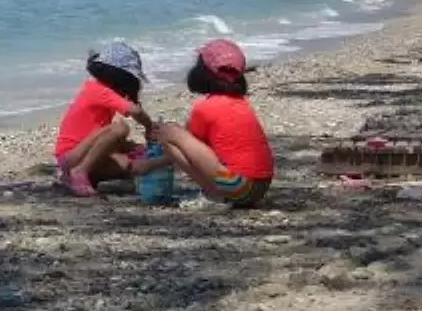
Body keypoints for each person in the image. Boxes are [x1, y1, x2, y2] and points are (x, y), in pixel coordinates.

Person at [152, 39, 274, 208]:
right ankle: (218, 191)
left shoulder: (205, 108)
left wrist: (170, 134)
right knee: (180, 136)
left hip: (238, 187)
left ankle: (214, 193)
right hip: (262, 186)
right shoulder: (241, 102)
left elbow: (192, 147)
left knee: (171, 136)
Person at [54, 41, 157, 197]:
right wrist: (150, 126)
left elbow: (98, 132)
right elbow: (135, 111)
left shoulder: (102, 91)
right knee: (120, 128)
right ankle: (80, 171)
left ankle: (81, 174)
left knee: (131, 164)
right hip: (71, 155)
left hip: (85, 152)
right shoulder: (98, 89)